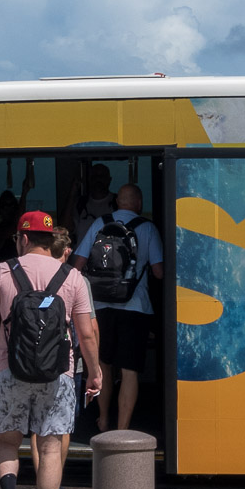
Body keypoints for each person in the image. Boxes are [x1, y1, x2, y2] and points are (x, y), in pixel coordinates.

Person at [0, 209, 100, 489]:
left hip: (8, 369)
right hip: (58, 374)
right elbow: (86, 334)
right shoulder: (72, 277)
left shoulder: (2, 272)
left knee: (7, 441)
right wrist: (95, 372)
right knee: (51, 446)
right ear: (48, 239)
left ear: (23, 238)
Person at [76, 184, 165, 434]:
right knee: (129, 371)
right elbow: (159, 272)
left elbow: (79, 261)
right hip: (135, 308)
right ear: (139, 203)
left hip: (101, 306)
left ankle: (103, 419)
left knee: (103, 364)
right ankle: (122, 429)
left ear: (117, 202)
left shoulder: (100, 224)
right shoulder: (147, 228)